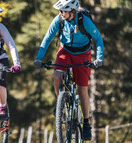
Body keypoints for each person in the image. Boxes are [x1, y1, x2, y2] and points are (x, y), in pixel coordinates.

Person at [33, 0, 103, 141]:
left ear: (72, 11)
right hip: (65, 50)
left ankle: (86, 122)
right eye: (60, 11)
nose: (61, 13)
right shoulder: (59, 19)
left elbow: (98, 38)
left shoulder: (84, 20)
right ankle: (61, 104)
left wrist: (99, 58)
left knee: (82, 89)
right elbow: (47, 38)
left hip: (83, 53)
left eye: (63, 11)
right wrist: (39, 58)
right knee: (58, 75)